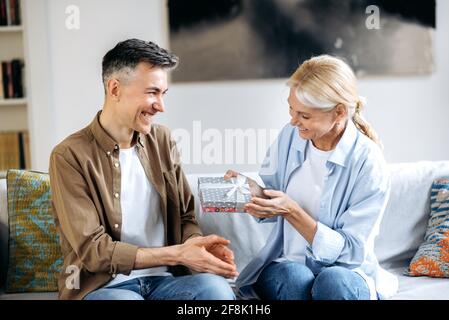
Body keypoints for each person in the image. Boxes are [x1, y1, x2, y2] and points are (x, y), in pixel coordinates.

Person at [49, 39, 237, 300]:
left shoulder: (162, 141)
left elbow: (185, 217)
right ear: (115, 89)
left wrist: (197, 247)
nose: (161, 106)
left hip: (166, 282)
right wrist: (177, 253)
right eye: (152, 92)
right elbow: (93, 251)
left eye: (163, 93)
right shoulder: (69, 155)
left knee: (216, 291)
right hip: (105, 288)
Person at [227, 55, 398, 300]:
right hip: (289, 266)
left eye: (305, 116)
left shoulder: (368, 162)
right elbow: (275, 198)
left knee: (333, 281)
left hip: (348, 272)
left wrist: (293, 212)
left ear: (339, 113)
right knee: (293, 278)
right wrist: (256, 193)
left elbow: (351, 252)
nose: (293, 121)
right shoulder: (290, 136)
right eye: (291, 109)